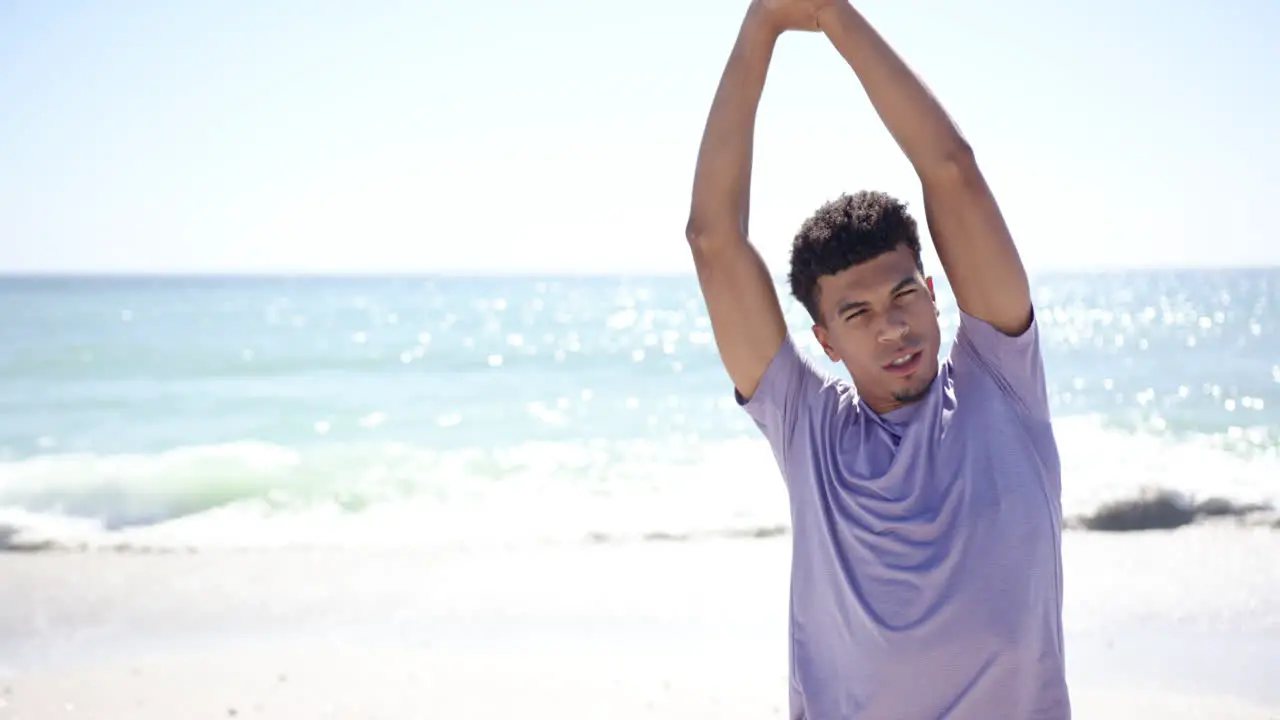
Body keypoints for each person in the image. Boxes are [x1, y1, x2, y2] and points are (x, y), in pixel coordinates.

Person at [684, 0, 1070, 718]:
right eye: (857, 314)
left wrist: (833, 13)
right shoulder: (810, 432)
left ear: (932, 291)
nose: (893, 328)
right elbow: (713, 240)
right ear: (824, 341)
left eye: (903, 297)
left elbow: (951, 169)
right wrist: (763, 23)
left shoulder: (1003, 383)